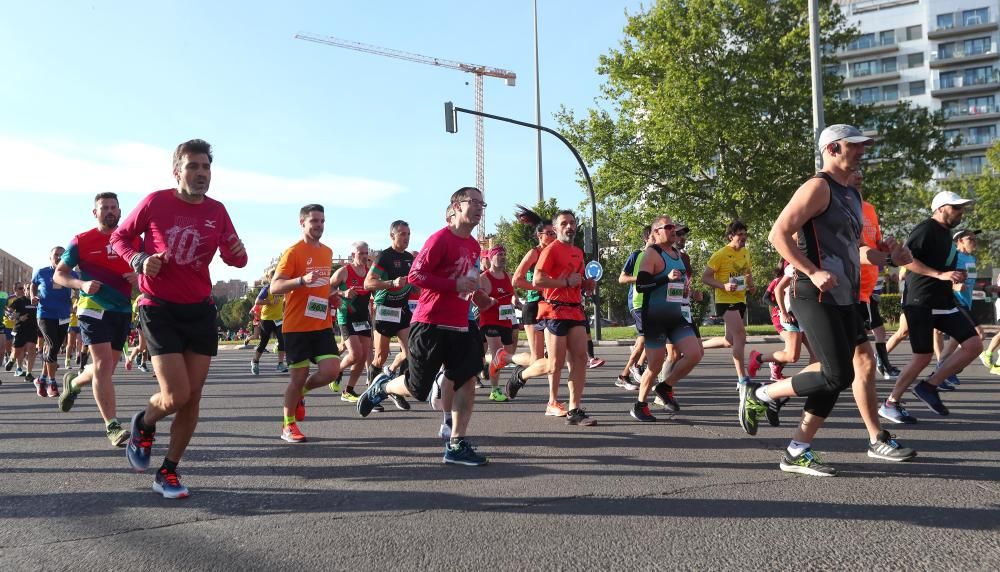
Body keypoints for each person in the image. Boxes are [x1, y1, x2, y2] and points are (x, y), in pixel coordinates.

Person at [748, 124, 915, 476]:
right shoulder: (818, 187)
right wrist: (810, 271)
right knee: (836, 375)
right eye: (856, 145)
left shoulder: (851, 195)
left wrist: (890, 258)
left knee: (853, 366)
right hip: (814, 293)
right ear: (833, 148)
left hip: (845, 297)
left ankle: (798, 449)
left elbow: (855, 250)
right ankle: (763, 395)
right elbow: (777, 234)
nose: (862, 151)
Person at [111, 139, 248, 498]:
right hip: (159, 307)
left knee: (193, 396)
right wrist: (139, 261)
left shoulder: (217, 210)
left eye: (206, 167)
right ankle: (144, 423)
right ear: (177, 171)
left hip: (199, 309)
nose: (201, 173)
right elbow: (120, 237)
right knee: (175, 394)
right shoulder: (156, 201)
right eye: (193, 167)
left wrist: (239, 253)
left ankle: (168, 471)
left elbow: (236, 259)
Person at [357, 187, 490, 466]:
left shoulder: (474, 246)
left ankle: (456, 443)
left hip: (460, 324)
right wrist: (453, 284)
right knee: (418, 388)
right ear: (455, 207)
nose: (479, 208)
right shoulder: (440, 239)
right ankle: (383, 387)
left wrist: (479, 297)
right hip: (429, 323)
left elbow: (468, 282)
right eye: (473, 202)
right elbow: (416, 275)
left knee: (468, 380)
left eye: (483, 203)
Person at [881, 191, 984, 421]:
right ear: (940, 208)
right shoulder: (925, 229)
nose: (961, 212)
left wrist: (954, 275)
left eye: (962, 208)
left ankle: (928, 387)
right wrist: (939, 274)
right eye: (956, 207)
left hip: (943, 301)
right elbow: (906, 259)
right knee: (922, 356)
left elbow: (942, 268)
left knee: (974, 344)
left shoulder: (946, 234)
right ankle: (891, 402)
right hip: (921, 301)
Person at [55, 192, 139, 447]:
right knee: (102, 364)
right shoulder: (81, 241)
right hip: (91, 307)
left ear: (120, 212)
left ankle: (75, 381)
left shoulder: (134, 240)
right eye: (104, 207)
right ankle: (112, 425)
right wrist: (81, 283)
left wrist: (140, 277)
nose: (109, 211)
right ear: (95, 213)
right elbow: (59, 275)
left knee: (106, 369)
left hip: (122, 309)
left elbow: (151, 268)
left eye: (113, 207)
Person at [269, 204, 343, 443]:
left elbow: (321, 287)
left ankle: (301, 394)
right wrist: (301, 280)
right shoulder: (293, 252)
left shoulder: (328, 252)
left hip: (320, 323)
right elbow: (275, 286)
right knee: (297, 377)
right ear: (303, 223)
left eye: (322, 221)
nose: (319, 225)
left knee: (331, 371)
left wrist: (331, 296)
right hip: (297, 326)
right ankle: (288, 425)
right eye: (314, 221)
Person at [630, 215, 704, 421]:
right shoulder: (651, 254)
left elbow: (676, 285)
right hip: (654, 316)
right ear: (656, 232)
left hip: (676, 314)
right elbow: (641, 285)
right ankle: (640, 405)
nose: (673, 230)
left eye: (674, 227)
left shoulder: (676, 254)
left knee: (695, 353)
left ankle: (665, 386)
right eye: (668, 227)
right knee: (654, 365)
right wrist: (665, 278)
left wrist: (687, 292)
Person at [534, 210, 596, 426]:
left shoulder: (578, 252)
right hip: (555, 310)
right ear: (556, 228)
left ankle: (574, 408)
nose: (569, 226)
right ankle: (525, 379)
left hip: (575, 309)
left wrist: (586, 285)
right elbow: (538, 280)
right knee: (555, 364)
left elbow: (576, 279)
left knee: (580, 359)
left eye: (572, 222)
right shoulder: (551, 250)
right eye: (564, 223)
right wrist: (566, 283)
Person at [504, 206, 560, 410]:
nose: (553, 236)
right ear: (539, 235)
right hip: (534, 306)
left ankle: (552, 401)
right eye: (549, 233)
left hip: (553, 306)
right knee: (538, 360)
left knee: (551, 359)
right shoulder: (534, 253)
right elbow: (516, 279)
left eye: (555, 233)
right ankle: (518, 371)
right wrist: (541, 286)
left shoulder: (558, 252)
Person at [701, 221, 753, 387]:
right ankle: (742, 379)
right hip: (725, 300)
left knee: (729, 340)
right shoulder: (720, 254)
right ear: (731, 236)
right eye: (740, 234)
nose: (743, 238)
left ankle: (698, 346)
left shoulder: (745, 252)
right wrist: (723, 286)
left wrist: (751, 285)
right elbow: (705, 277)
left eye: (745, 234)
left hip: (740, 299)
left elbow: (747, 272)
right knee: (740, 336)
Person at [365, 220, 415, 383]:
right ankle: (372, 394)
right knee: (380, 356)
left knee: (410, 352)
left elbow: (415, 285)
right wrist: (391, 283)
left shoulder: (409, 258)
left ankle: (392, 376)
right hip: (385, 310)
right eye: (402, 234)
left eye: (408, 234)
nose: (406, 238)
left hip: (402, 310)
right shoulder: (384, 257)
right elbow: (368, 283)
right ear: (392, 235)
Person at [936, 229, 984, 385]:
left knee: (956, 340)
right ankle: (947, 369)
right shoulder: (954, 257)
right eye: (970, 239)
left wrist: (985, 288)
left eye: (975, 239)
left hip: (966, 303)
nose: (974, 242)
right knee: (979, 335)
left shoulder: (971, 259)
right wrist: (954, 287)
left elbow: (969, 282)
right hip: (955, 302)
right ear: (960, 241)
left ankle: (942, 369)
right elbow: (941, 277)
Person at [330, 241, 374, 402]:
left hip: (363, 318)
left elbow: (376, 292)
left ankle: (348, 390)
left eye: (365, 253)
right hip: (346, 316)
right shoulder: (344, 272)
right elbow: (327, 289)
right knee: (355, 354)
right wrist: (342, 293)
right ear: (353, 255)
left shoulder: (370, 273)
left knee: (362, 357)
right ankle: (336, 371)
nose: (364, 256)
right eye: (360, 253)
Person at [32, 246, 77, 397]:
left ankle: (41, 379)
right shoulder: (42, 272)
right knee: (51, 345)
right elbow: (33, 284)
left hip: (63, 316)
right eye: (56, 255)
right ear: (50, 257)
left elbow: (79, 289)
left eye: (62, 255)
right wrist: (33, 296)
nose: (58, 257)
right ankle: (52, 382)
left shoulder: (71, 273)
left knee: (53, 348)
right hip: (44, 314)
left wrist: (76, 302)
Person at [616, 225, 653, 391]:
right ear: (646, 239)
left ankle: (624, 376)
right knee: (648, 337)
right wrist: (640, 278)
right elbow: (622, 279)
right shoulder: (637, 255)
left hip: (654, 303)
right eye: (653, 236)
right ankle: (636, 367)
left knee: (645, 340)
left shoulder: (660, 257)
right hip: (638, 303)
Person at [479, 245, 515, 402]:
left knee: (505, 355)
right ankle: (495, 390)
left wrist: (517, 303)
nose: (503, 257)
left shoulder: (508, 275)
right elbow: (478, 302)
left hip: (506, 320)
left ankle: (488, 365)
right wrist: (489, 301)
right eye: (499, 254)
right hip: (490, 321)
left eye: (504, 254)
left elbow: (513, 295)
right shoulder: (484, 278)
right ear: (491, 257)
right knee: (498, 353)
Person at [251, 269, 288, 375]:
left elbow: (284, 301)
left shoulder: (282, 288)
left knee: (282, 341)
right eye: (275, 276)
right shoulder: (267, 289)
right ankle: (255, 361)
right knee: (264, 342)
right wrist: (270, 302)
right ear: (270, 278)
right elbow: (257, 301)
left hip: (279, 319)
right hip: (267, 319)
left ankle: (280, 364)